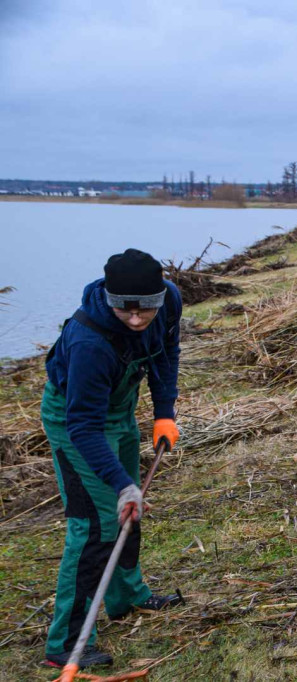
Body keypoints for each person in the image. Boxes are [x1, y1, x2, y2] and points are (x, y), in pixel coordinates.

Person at [42, 249, 184, 669]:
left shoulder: (170, 301)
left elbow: (165, 354)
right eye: (126, 309)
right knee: (95, 526)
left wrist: (163, 412)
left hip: (120, 409)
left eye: (146, 309)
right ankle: (65, 643)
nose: (137, 319)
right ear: (108, 297)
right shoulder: (89, 342)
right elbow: (83, 425)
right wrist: (122, 483)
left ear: (161, 296)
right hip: (76, 422)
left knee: (129, 510)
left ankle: (126, 597)